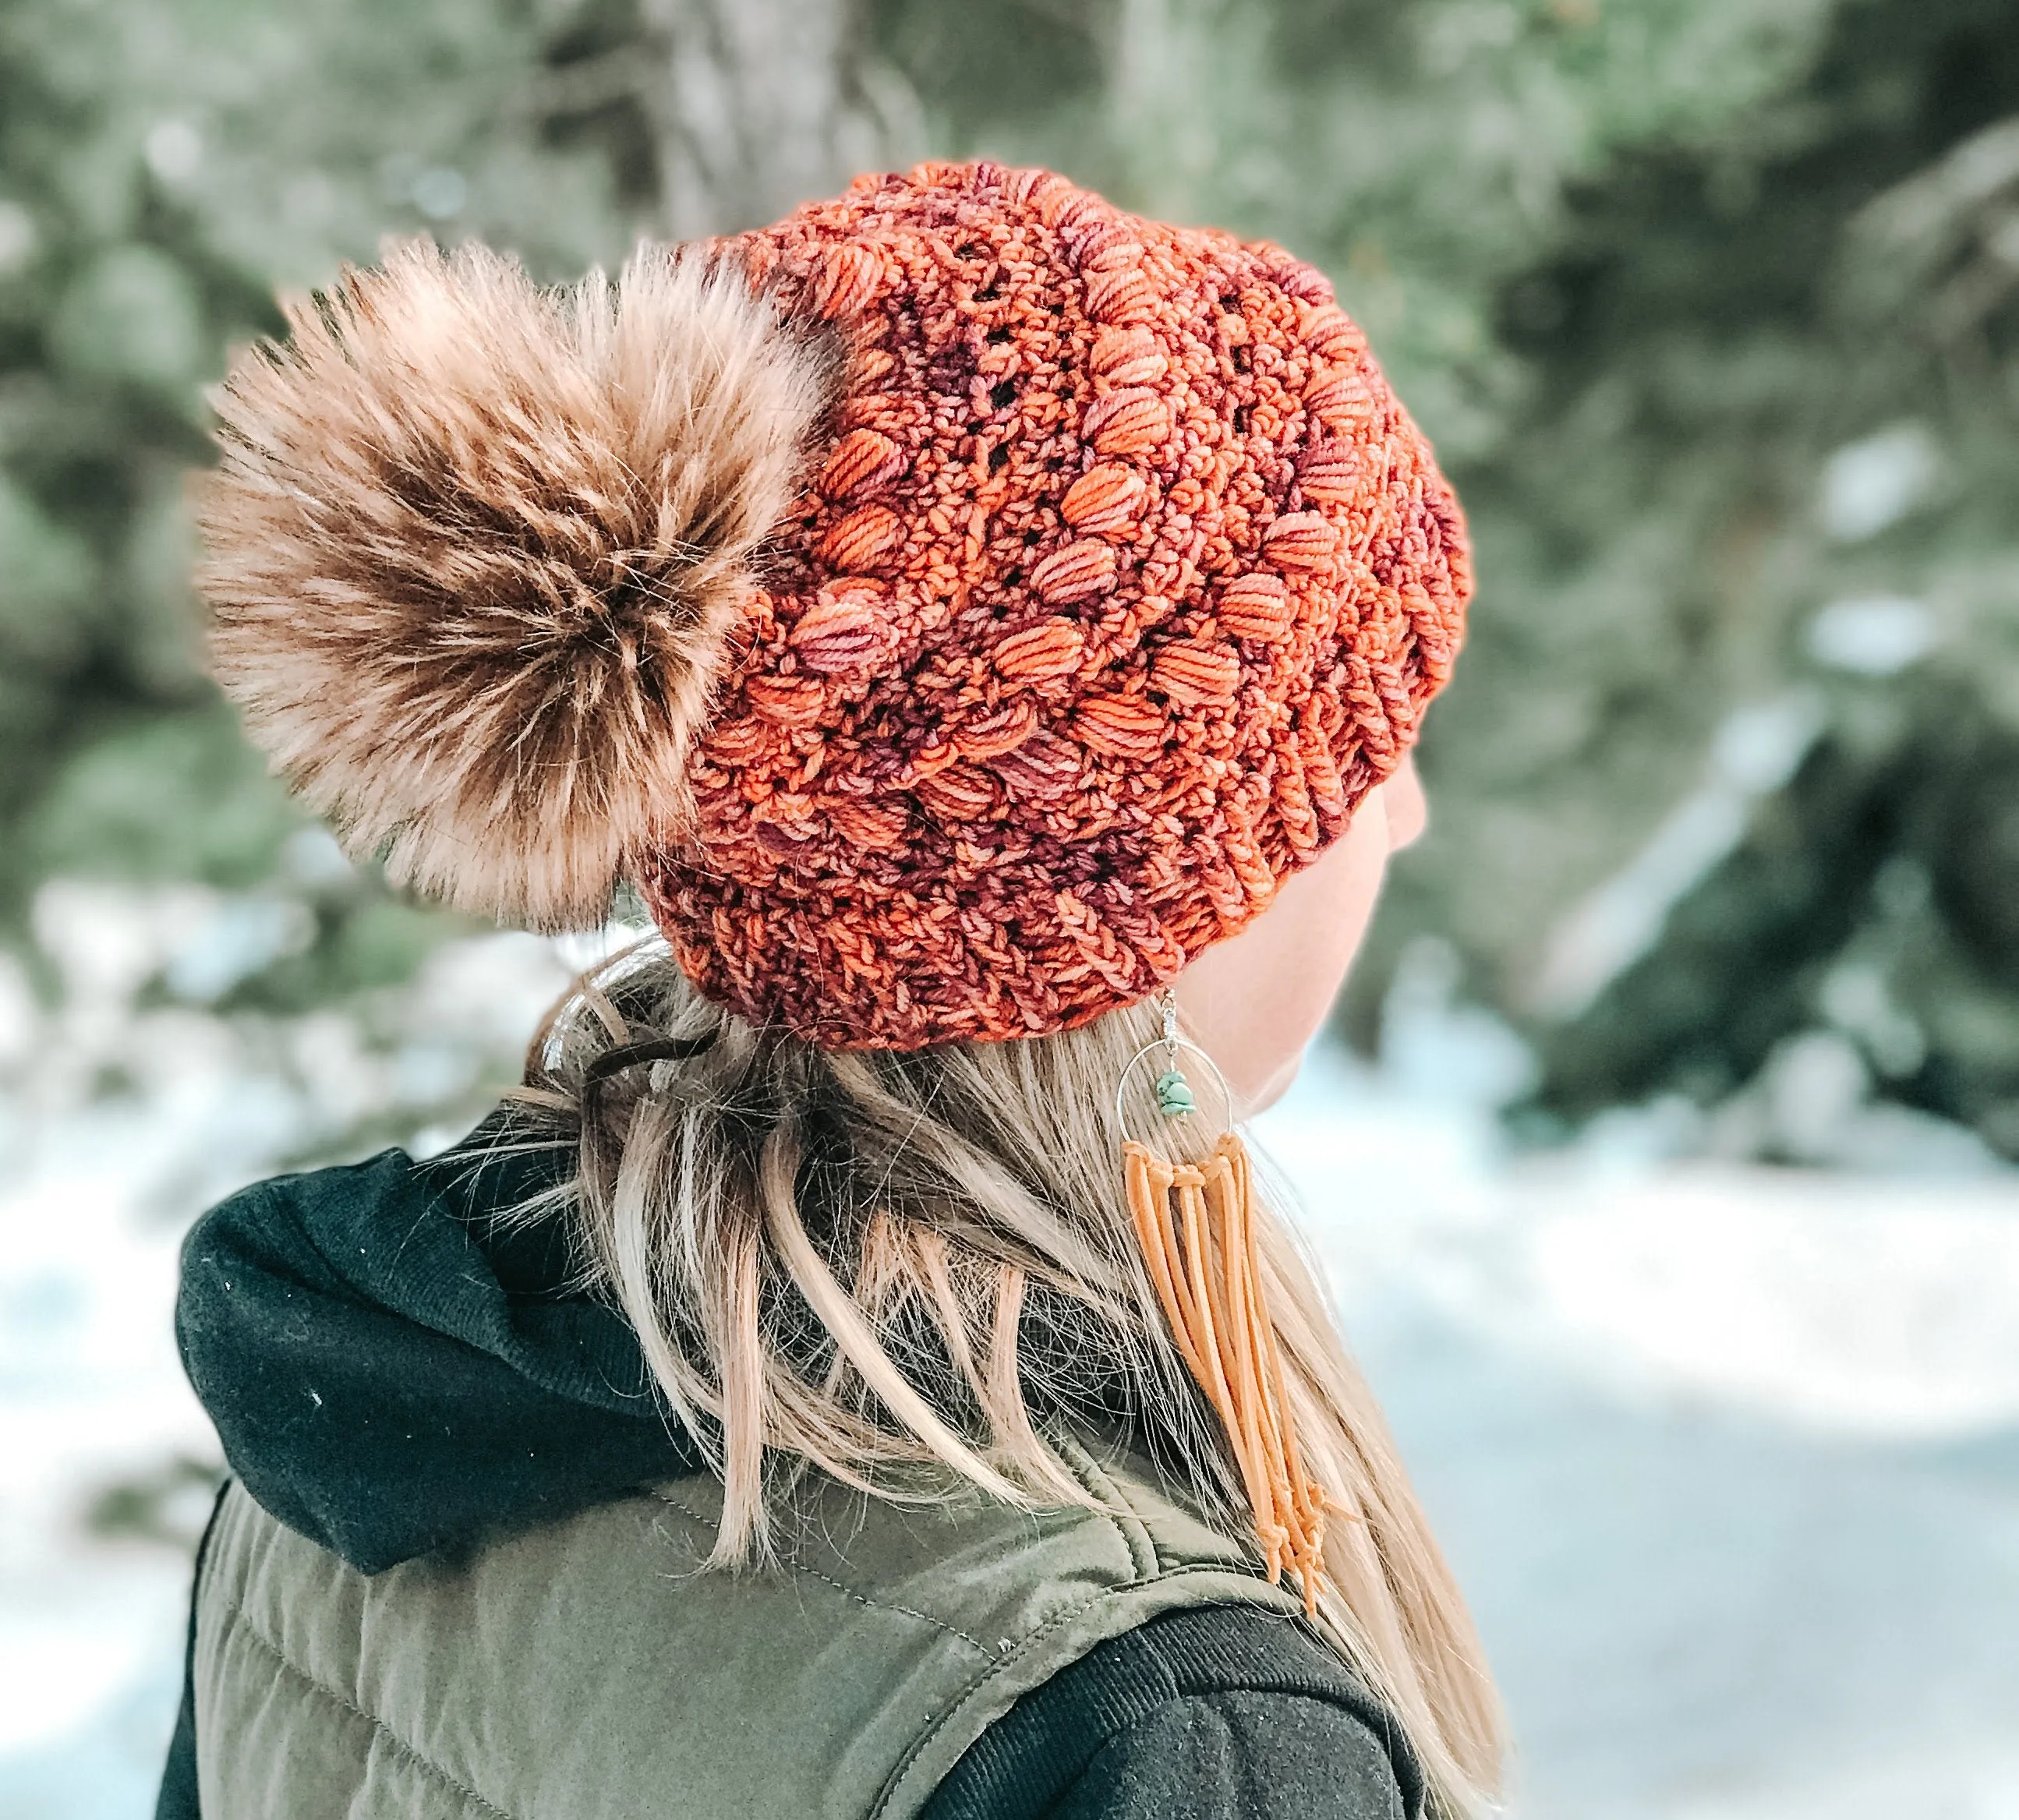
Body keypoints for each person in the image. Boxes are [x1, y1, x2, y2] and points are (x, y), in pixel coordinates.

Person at [159, 160, 1504, 1819]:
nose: (1404, 806)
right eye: (1357, 744)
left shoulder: (371, 1402)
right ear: (1140, 897)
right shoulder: (1170, 1733)